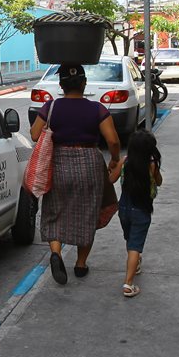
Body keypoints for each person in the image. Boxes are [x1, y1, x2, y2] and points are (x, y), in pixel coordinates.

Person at [30, 63, 122, 285]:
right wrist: (115, 159)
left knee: (54, 210)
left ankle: (56, 253)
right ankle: (80, 264)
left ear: (60, 85)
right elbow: (113, 140)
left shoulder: (50, 107)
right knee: (87, 212)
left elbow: (34, 135)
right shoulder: (97, 109)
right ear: (84, 83)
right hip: (89, 165)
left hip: (58, 164)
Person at [114, 130, 162, 298]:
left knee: (130, 239)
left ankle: (136, 263)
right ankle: (128, 284)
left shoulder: (124, 161)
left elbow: (111, 179)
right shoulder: (151, 164)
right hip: (142, 211)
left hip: (124, 210)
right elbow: (159, 181)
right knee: (135, 246)